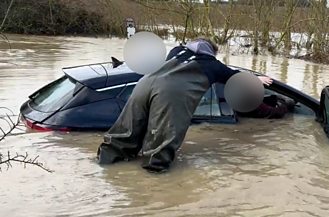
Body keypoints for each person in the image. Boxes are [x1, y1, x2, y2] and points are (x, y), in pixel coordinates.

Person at [97, 38, 273, 173]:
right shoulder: (212, 65)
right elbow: (235, 77)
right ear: (212, 51)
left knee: (123, 135)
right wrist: (256, 80)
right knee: (160, 149)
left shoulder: (177, 50)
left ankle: (103, 166)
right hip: (170, 95)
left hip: (143, 85)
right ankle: (151, 191)